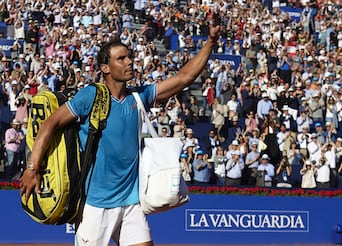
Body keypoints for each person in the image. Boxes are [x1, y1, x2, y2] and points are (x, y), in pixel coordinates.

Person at [20, 15, 221, 246]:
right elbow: (50, 123)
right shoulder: (91, 96)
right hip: (95, 206)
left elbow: (184, 77)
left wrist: (210, 42)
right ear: (105, 67)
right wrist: (32, 168)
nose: (130, 62)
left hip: (131, 204)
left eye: (130, 57)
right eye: (121, 59)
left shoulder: (139, 97)